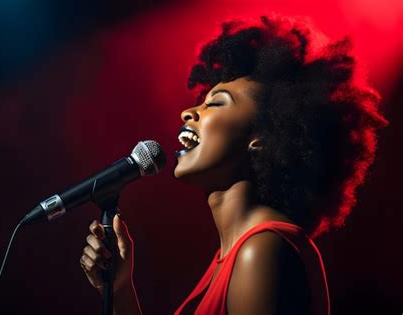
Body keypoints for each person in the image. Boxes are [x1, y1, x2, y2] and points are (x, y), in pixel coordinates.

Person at [79, 15, 388, 314]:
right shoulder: (234, 255)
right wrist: (120, 291)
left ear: (263, 137)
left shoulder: (262, 250)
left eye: (215, 103)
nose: (188, 112)